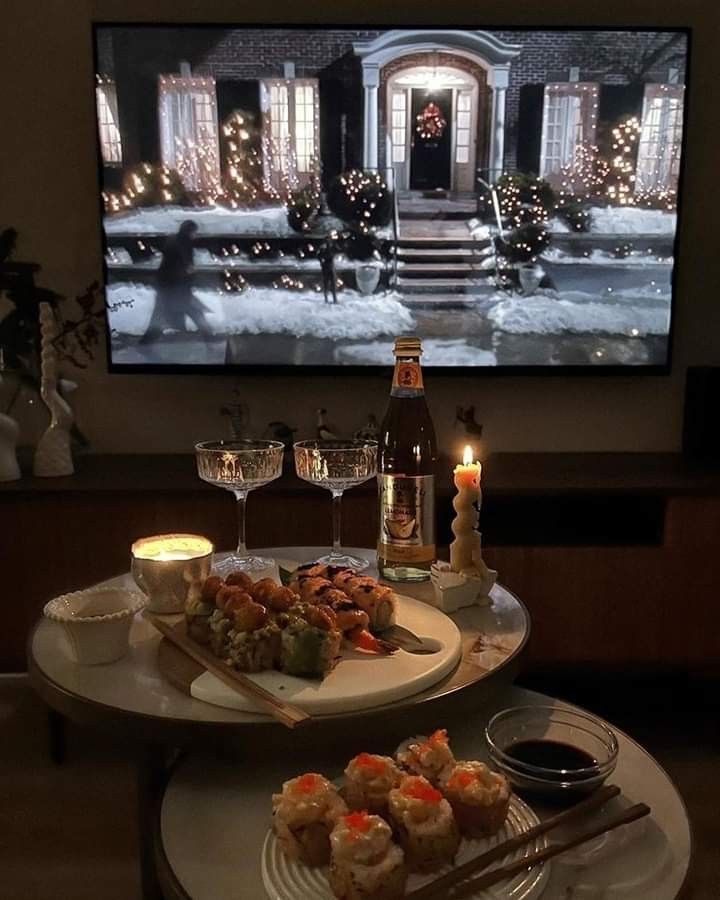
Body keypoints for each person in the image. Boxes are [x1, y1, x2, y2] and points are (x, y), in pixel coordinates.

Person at [140, 220, 213, 344]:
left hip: (167, 285)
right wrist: (189, 272)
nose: (195, 235)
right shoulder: (184, 244)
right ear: (189, 232)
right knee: (193, 311)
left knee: (161, 315)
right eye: (194, 232)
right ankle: (209, 337)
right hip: (175, 287)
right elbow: (185, 265)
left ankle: (147, 341)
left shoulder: (174, 240)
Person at [317, 234, 339, 304]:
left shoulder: (332, 247)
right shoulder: (323, 248)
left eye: (329, 240)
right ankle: (326, 299)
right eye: (327, 240)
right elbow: (318, 255)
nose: (328, 241)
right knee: (326, 283)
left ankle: (334, 299)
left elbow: (338, 250)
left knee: (333, 284)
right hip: (326, 266)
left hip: (331, 266)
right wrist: (321, 261)